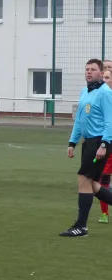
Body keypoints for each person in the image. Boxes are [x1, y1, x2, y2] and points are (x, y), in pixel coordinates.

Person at [60, 58, 112, 237]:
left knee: (83, 179)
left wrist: (104, 144)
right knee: (92, 184)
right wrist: (72, 142)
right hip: (88, 143)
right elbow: (80, 120)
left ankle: (81, 227)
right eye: (87, 69)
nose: (89, 72)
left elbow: (109, 121)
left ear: (100, 72)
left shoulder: (105, 93)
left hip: (99, 142)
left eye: (93, 69)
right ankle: (81, 226)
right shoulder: (84, 91)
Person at [98, 62, 112, 223]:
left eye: (107, 78)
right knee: (104, 181)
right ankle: (104, 213)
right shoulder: (99, 96)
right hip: (107, 144)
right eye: (104, 77)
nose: (105, 80)